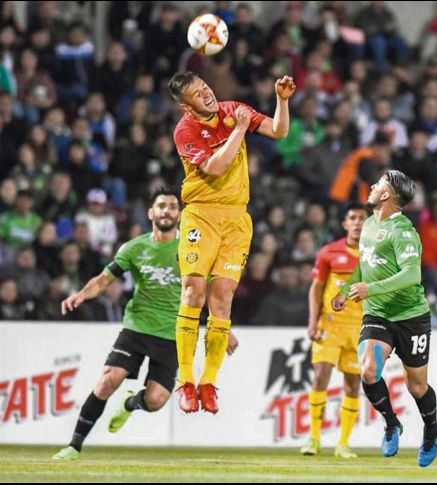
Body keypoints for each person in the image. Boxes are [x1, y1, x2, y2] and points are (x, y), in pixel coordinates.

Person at [52, 188, 236, 461]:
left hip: (173, 334)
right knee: (107, 380)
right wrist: (81, 294)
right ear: (151, 213)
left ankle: (130, 403)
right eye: (161, 206)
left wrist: (223, 328)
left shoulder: (193, 250)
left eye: (172, 207)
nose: (166, 211)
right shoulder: (134, 248)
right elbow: (104, 279)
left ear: (180, 215)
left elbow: (210, 292)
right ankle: (74, 446)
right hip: (137, 328)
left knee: (155, 400)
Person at [168, 71, 294, 414]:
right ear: (186, 106)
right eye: (197, 94)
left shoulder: (232, 109)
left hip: (236, 218)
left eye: (205, 87)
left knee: (222, 297)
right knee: (193, 291)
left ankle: (208, 382)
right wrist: (239, 129)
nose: (206, 94)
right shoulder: (185, 130)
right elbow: (215, 167)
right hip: (202, 214)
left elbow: (279, 131)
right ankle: (186, 381)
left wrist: (281, 101)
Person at [332, 170, 437, 468]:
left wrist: (370, 289)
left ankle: (431, 429)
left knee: (417, 387)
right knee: (368, 370)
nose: (372, 185)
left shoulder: (403, 231)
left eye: (379, 182)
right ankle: (392, 424)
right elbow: (365, 263)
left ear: (387, 194)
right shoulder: (369, 224)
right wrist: (345, 290)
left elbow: (411, 275)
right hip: (377, 313)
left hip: (411, 317)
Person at [301, 202, 368, 459]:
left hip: (359, 327)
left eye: (362, 218)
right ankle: (314, 438)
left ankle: (343, 444)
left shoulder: (375, 256)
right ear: (345, 223)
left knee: (352, 385)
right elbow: (316, 288)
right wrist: (312, 321)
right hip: (330, 324)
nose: (357, 222)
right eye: (353, 218)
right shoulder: (329, 252)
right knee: (320, 377)